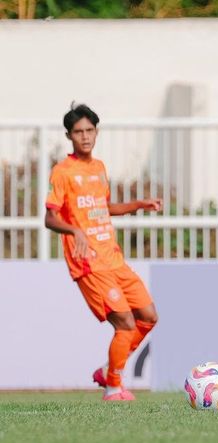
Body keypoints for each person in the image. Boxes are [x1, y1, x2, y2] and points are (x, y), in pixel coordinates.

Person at [45, 104, 161, 401]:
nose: (84, 136)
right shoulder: (62, 172)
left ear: (96, 132)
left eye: (89, 130)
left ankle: (108, 369)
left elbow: (103, 208)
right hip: (89, 264)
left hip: (114, 259)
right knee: (125, 323)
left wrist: (138, 204)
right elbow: (50, 217)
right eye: (78, 132)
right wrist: (75, 231)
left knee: (148, 317)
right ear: (69, 136)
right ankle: (113, 387)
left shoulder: (98, 168)